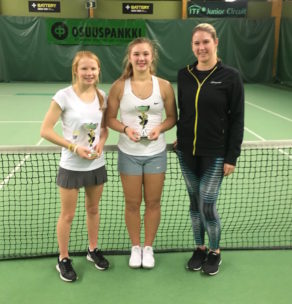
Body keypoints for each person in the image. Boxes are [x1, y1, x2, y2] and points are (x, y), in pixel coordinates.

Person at [176, 23, 244, 275]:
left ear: (216, 42)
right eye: (196, 43)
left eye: (206, 41)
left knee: (207, 203)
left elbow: (237, 118)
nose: (201, 47)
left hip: (215, 153)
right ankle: (200, 248)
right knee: (194, 202)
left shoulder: (230, 76)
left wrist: (231, 157)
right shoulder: (184, 74)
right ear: (192, 46)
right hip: (186, 153)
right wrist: (179, 139)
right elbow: (184, 112)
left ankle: (215, 251)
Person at [106, 37, 177, 269]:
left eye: (145, 54)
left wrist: (159, 129)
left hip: (156, 154)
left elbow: (171, 118)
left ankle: (148, 247)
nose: (141, 58)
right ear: (130, 57)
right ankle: (135, 247)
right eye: (136, 54)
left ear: (152, 56)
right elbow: (109, 119)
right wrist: (126, 129)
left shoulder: (164, 86)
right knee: (132, 203)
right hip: (129, 154)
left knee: (154, 202)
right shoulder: (119, 86)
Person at [40, 51, 110, 282]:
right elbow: (46, 130)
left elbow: (103, 128)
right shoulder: (63, 96)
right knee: (68, 214)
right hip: (71, 165)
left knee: (93, 209)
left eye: (93, 69)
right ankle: (63, 258)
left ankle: (92, 249)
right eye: (84, 69)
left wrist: (101, 142)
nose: (89, 73)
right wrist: (73, 148)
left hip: (96, 164)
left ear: (99, 71)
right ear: (75, 70)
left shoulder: (102, 96)